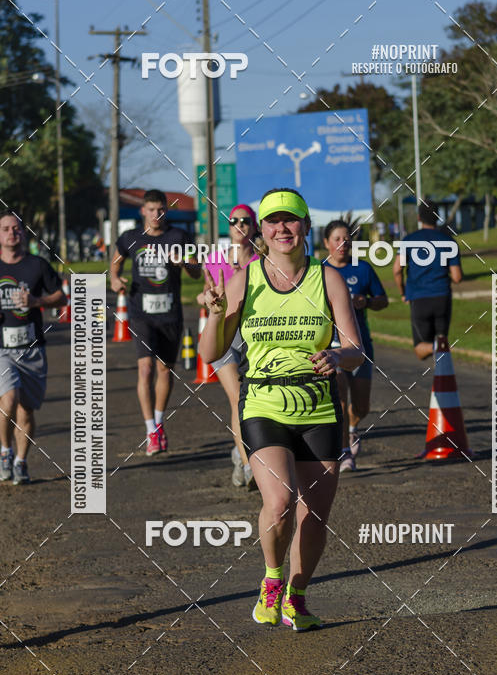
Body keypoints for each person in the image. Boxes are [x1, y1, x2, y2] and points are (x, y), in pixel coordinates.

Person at [200, 188, 363, 631]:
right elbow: (211, 352)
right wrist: (216, 314)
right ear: (262, 230)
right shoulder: (245, 280)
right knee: (280, 501)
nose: (282, 228)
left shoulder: (328, 279)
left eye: (291, 220)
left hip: (318, 408)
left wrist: (337, 355)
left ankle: (297, 595)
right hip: (264, 404)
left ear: (306, 226)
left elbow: (355, 349)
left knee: (316, 513)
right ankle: (272, 580)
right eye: (273, 221)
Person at [110, 189, 203, 455]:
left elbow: (196, 272)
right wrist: (115, 279)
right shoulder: (130, 238)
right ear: (143, 211)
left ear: (166, 210)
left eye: (160, 209)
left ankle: (159, 423)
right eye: (151, 210)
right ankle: (150, 429)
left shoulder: (179, 237)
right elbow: (115, 263)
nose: (156, 214)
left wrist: (184, 263)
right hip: (141, 313)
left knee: (164, 371)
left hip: (170, 313)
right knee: (145, 369)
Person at [197, 204, 261, 489]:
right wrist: (208, 299)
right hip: (222, 335)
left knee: (253, 398)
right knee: (237, 399)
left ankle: (239, 451)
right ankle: (249, 466)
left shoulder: (262, 261)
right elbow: (203, 294)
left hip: (251, 336)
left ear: (254, 226)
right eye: (234, 221)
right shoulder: (214, 259)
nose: (239, 225)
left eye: (245, 221)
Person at [0, 211, 66, 484]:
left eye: (16, 228)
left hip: (32, 349)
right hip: (2, 349)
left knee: (26, 410)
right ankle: (5, 451)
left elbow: (61, 297)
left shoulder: (37, 265)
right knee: (8, 400)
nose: (11, 233)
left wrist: (37, 302)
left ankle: (21, 461)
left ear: (23, 233)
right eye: (6, 229)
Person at [322, 220, 388, 472]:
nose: (343, 244)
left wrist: (366, 301)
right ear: (326, 243)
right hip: (331, 346)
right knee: (338, 399)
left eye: (347, 239)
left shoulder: (362, 269)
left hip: (360, 346)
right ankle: (345, 452)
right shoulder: (319, 271)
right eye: (337, 239)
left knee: (362, 406)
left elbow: (383, 300)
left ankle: (352, 428)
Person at [393, 199, 462, 359]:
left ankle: (436, 348)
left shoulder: (409, 240)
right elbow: (457, 277)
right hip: (442, 296)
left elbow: (397, 270)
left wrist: (403, 292)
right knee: (442, 343)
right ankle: (441, 357)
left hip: (418, 298)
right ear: (438, 217)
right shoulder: (448, 240)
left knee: (420, 350)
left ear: (419, 218)